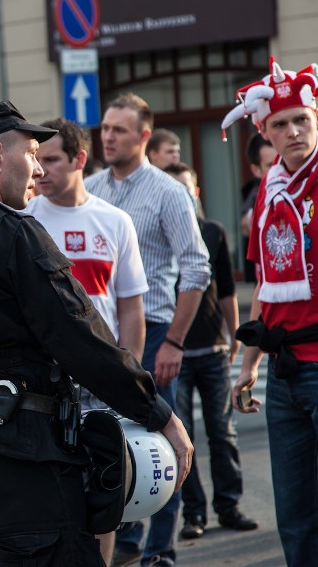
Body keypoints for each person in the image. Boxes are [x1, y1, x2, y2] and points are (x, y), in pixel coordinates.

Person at [0, 100, 193, 566]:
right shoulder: (12, 234)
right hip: (23, 448)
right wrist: (157, 412)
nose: (36, 169)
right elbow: (79, 335)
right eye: (30, 153)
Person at [85, 93, 210, 567]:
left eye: (119, 129)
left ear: (143, 136)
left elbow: (197, 269)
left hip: (155, 329)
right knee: (112, 440)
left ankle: (160, 549)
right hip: (102, 335)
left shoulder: (167, 191)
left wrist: (174, 341)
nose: (108, 136)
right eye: (105, 129)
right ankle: (125, 541)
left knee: (158, 440)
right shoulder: (91, 186)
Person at [23, 117, 148, 565]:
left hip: (101, 379)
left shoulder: (114, 221)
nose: (40, 171)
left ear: (79, 159)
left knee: (105, 495)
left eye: (52, 160)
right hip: (43, 382)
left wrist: (128, 373)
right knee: (48, 497)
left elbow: (131, 307)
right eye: (36, 160)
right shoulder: (23, 220)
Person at [225, 57, 318, 566]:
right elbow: (266, 282)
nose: (293, 130)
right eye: (280, 124)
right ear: (265, 132)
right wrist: (248, 365)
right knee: (296, 518)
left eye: (302, 119)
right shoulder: (270, 189)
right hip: (283, 374)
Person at [161, 162, 258, 541]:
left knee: (223, 432)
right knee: (181, 438)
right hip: (176, 355)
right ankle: (193, 514)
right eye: (174, 190)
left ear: (197, 191)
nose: (182, 196)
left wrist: (235, 336)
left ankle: (229, 507)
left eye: (187, 189)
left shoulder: (213, 232)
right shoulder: (159, 234)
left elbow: (228, 291)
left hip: (215, 348)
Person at [239, 134, 277, 283]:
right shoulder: (256, 198)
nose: (279, 168)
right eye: (270, 165)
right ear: (256, 170)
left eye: (281, 160)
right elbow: (246, 223)